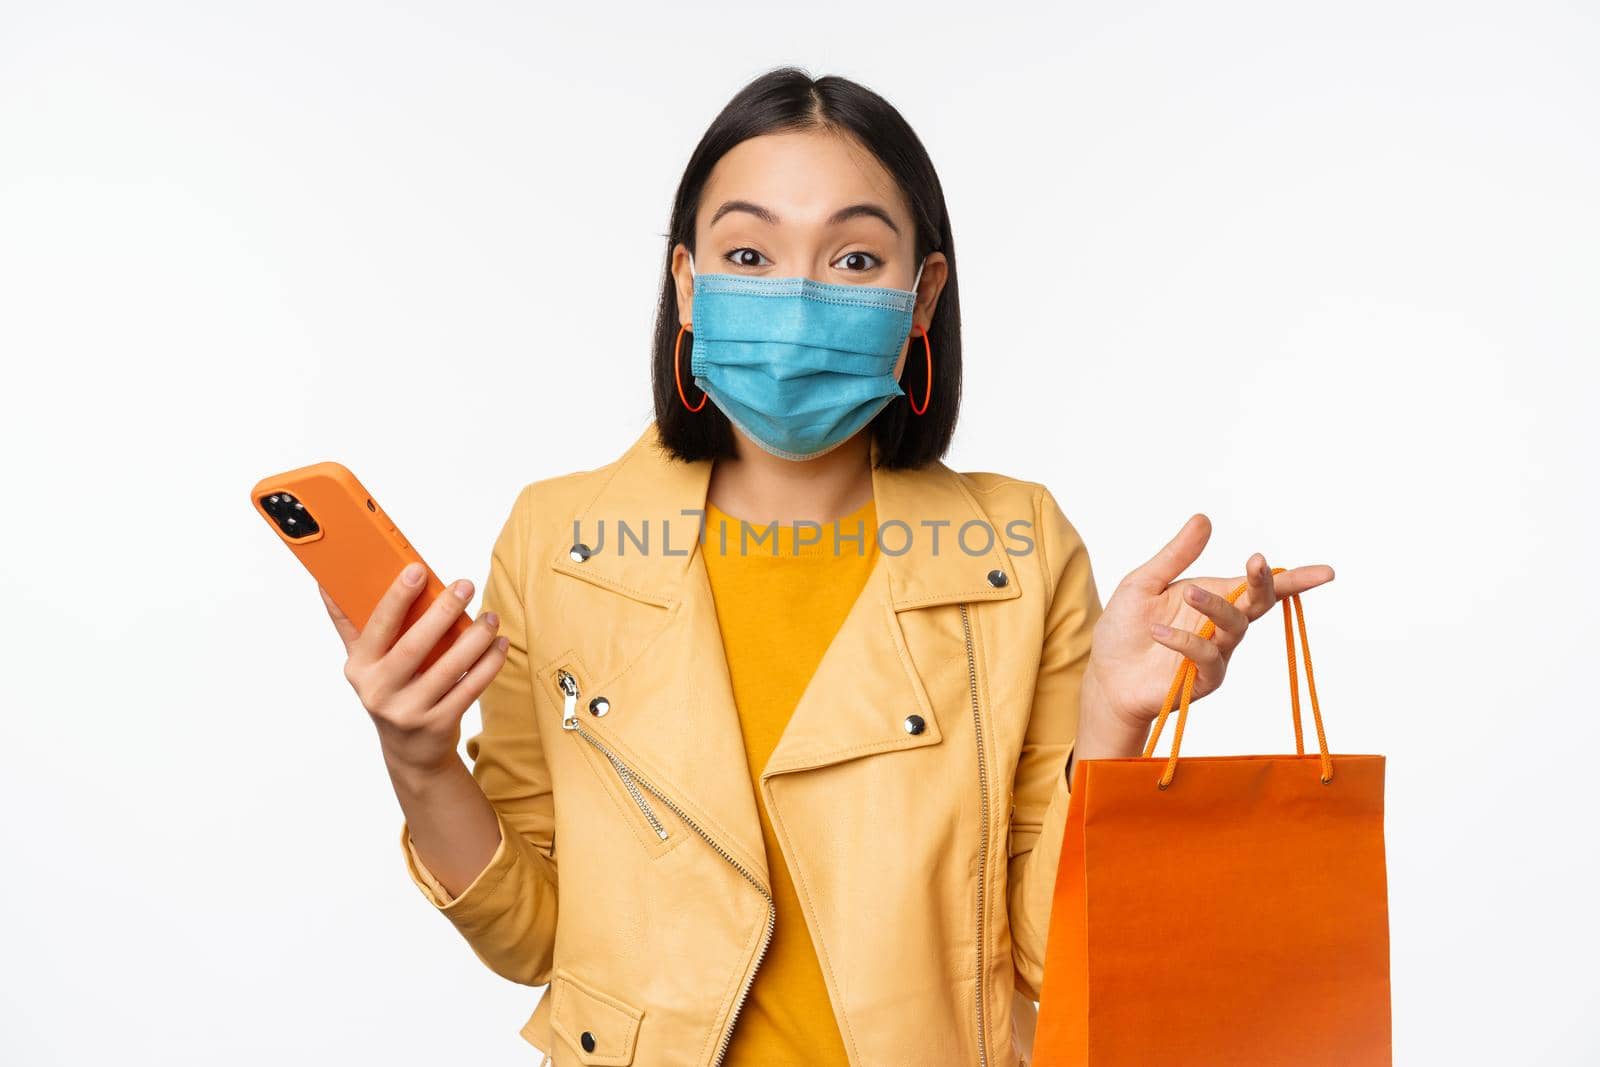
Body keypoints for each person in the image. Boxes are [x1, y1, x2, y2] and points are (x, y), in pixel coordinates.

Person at [320, 67, 1334, 1067]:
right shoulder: (559, 539)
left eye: (852, 260)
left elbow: (1043, 954)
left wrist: (1114, 719)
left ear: (920, 294)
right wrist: (416, 759)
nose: (797, 303)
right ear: (686, 286)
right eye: (749, 252)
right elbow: (532, 938)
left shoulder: (1017, 548)